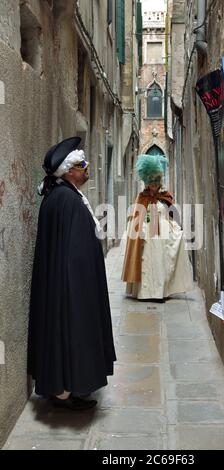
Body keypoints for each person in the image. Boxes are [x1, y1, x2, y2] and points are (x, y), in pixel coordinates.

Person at [28, 137, 116, 410]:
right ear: (67, 171)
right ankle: (66, 389)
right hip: (71, 288)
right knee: (71, 334)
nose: (87, 168)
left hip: (66, 285)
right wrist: (80, 289)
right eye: (81, 164)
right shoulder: (66, 199)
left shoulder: (62, 196)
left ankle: (69, 388)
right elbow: (74, 254)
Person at [121, 154, 194, 301]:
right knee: (147, 263)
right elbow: (136, 216)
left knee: (161, 263)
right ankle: (146, 293)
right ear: (147, 183)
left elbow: (172, 215)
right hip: (147, 236)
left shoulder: (165, 196)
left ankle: (160, 293)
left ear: (159, 182)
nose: (154, 186)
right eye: (151, 184)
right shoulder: (142, 197)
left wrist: (176, 229)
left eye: (156, 183)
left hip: (163, 237)